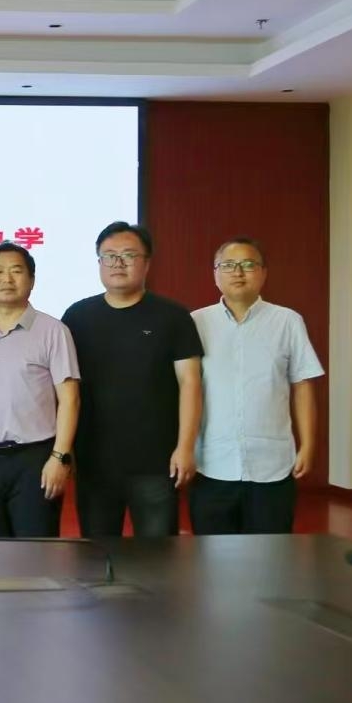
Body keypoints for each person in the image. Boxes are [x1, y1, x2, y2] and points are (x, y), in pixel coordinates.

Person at [62, 221, 202, 538]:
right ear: (99, 262)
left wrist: (185, 447)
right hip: (94, 461)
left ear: (147, 263)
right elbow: (65, 390)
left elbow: (190, 384)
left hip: (156, 462)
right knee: (97, 555)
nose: (118, 263)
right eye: (109, 256)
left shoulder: (173, 317)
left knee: (158, 556)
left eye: (128, 255)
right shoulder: (77, 317)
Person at [191, 238, 324, 534]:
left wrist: (308, 445)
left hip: (272, 466)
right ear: (215, 274)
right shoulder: (195, 322)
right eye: (228, 265)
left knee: (271, 555)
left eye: (248, 264)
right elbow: (186, 391)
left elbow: (303, 386)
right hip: (212, 464)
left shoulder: (288, 321)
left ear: (263, 273)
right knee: (211, 556)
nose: (238, 272)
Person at [0, 242, 80, 538]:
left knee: (37, 550)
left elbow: (70, 399)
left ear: (31, 280)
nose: (6, 278)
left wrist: (60, 457)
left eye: (16, 271)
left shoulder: (53, 331)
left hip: (35, 458)